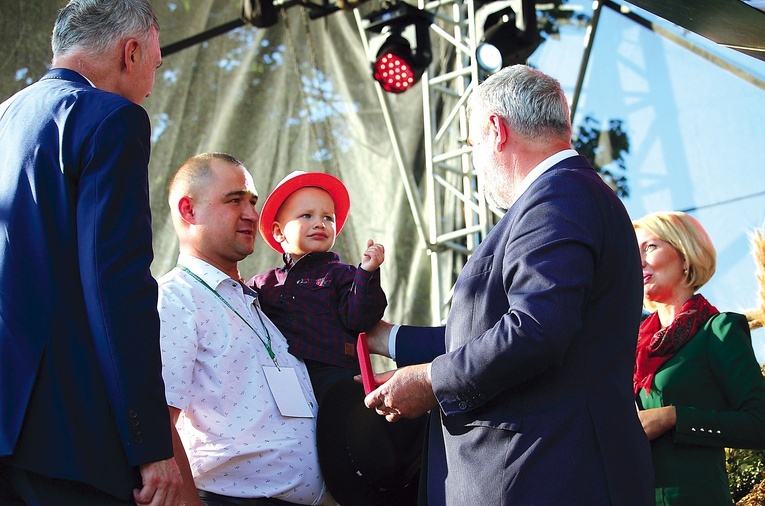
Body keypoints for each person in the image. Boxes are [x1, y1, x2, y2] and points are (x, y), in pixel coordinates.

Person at [361, 64, 655, 505]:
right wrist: (385, 339)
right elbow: (492, 334)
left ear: (496, 130)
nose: (474, 161)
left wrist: (429, 381)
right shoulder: (570, 194)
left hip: (544, 474)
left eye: (471, 143)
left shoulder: (558, 196)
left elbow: (535, 330)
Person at [0, 1, 183, 505]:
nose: (152, 81)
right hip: (68, 438)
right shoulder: (112, 118)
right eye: (156, 63)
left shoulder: (6, 116)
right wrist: (149, 440)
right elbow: (114, 286)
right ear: (131, 51)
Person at [158, 153, 335, 506]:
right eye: (234, 200)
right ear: (188, 211)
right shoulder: (176, 299)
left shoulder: (259, 298)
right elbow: (159, 422)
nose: (252, 214)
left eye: (253, 201)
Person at [632, 211, 765, 505]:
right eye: (632, 253)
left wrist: (674, 417)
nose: (638, 261)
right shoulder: (628, 347)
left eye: (649, 247)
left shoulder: (717, 331)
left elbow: (760, 424)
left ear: (684, 253)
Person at [248, 171, 387, 404]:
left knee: (335, 431)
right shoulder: (263, 283)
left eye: (328, 218)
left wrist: (368, 273)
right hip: (284, 380)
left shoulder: (344, 274)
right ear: (278, 232)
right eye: (306, 215)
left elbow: (360, 318)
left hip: (335, 376)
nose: (319, 223)